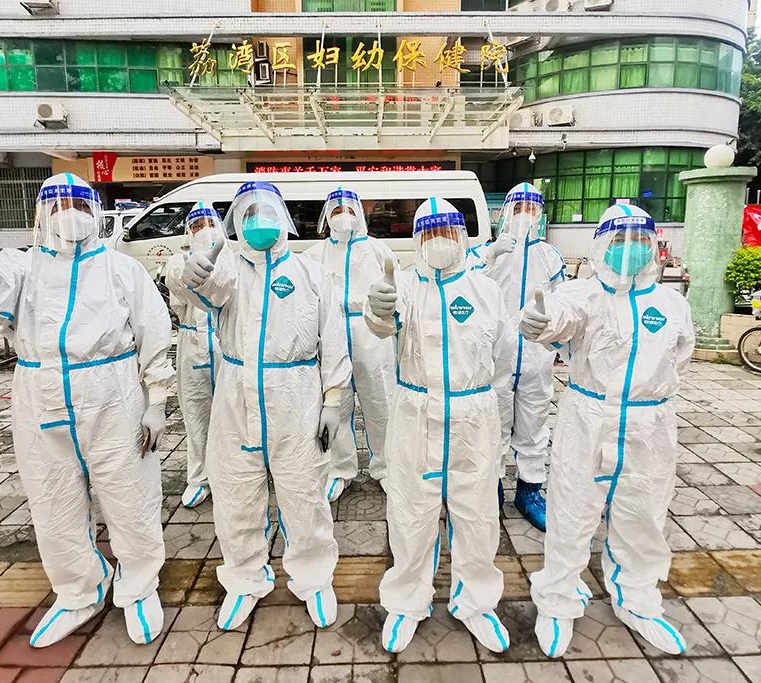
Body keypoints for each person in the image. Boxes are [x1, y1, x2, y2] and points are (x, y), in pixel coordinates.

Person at [0, 173, 174, 647]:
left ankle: (139, 584)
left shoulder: (122, 270)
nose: (70, 214)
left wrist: (157, 400)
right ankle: (79, 590)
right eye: (58, 205)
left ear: (95, 212)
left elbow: (155, 334)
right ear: (41, 215)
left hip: (113, 392)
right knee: (52, 497)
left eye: (80, 204)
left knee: (130, 492)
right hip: (39, 392)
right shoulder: (23, 267)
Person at [518, 204, 694, 657]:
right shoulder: (584, 294)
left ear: (653, 246)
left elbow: (679, 360)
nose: (629, 249)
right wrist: (540, 321)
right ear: (601, 246)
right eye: (619, 240)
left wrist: (646, 399)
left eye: (639, 240)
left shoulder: (672, 304)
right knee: (571, 511)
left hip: (649, 423)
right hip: (588, 417)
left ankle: (637, 599)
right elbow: (559, 316)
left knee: (643, 516)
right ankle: (557, 600)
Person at [178, 181, 351, 631]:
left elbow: (333, 338)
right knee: (236, 495)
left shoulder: (310, 272)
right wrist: (191, 271)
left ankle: (314, 578)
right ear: (237, 222)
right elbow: (201, 290)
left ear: (283, 218)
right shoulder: (230, 269)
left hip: (296, 396)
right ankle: (244, 578)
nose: (260, 222)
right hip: (236, 396)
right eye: (250, 214)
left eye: (268, 212)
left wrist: (334, 399)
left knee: (305, 494)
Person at [366, 197, 515, 654]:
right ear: (417, 240)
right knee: (410, 512)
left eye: (446, 232)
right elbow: (383, 324)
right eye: (429, 234)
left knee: (477, 515)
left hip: (474, 417)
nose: (438, 241)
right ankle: (407, 600)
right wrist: (377, 309)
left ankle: (477, 602)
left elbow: (504, 358)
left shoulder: (485, 290)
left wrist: (492, 418)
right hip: (415, 414)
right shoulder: (403, 285)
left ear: (461, 237)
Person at [303, 188, 398, 501]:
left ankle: (387, 468)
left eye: (349, 209)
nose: (343, 215)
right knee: (337, 404)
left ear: (360, 213)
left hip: (371, 335)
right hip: (331, 336)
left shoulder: (378, 250)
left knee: (381, 404)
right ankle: (339, 470)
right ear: (327, 216)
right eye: (336, 210)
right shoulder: (314, 255)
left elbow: (398, 292)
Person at [483, 183, 566, 531]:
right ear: (505, 212)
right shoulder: (489, 252)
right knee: (494, 427)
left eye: (531, 208)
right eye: (517, 208)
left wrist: (556, 336)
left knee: (533, 427)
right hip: (497, 357)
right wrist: (490, 257)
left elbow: (564, 303)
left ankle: (529, 491)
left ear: (540, 214)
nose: (524, 215)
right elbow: (469, 289)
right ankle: (490, 489)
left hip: (536, 357)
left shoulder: (550, 256)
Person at [164, 203, 224, 509]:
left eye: (209, 223)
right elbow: (176, 281)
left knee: (235, 413)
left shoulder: (233, 259)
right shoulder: (178, 260)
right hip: (193, 342)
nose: (203, 230)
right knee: (196, 413)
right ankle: (200, 477)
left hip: (227, 344)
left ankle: (234, 473)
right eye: (197, 225)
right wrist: (191, 269)